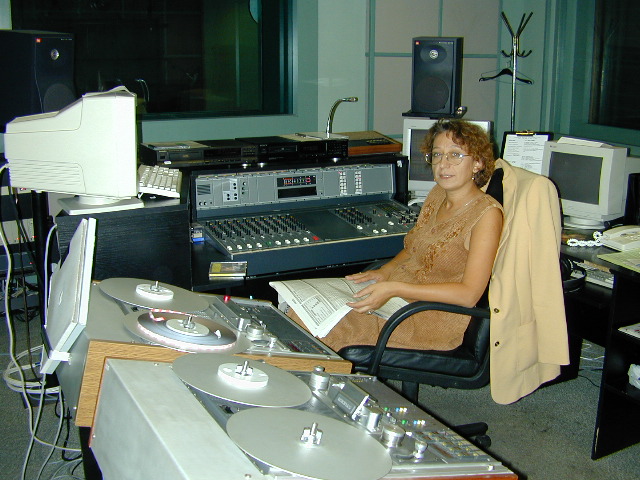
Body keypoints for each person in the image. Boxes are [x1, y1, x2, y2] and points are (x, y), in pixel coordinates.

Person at [290, 119, 504, 352]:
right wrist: (386, 271)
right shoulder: (438, 194)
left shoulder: (486, 215)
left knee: (310, 324)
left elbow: (469, 295)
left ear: (478, 163)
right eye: (437, 155)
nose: (443, 164)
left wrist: (395, 288)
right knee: (301, 308)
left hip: (428, 319)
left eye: (455, 155)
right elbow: (413, 248)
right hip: (398, 300)